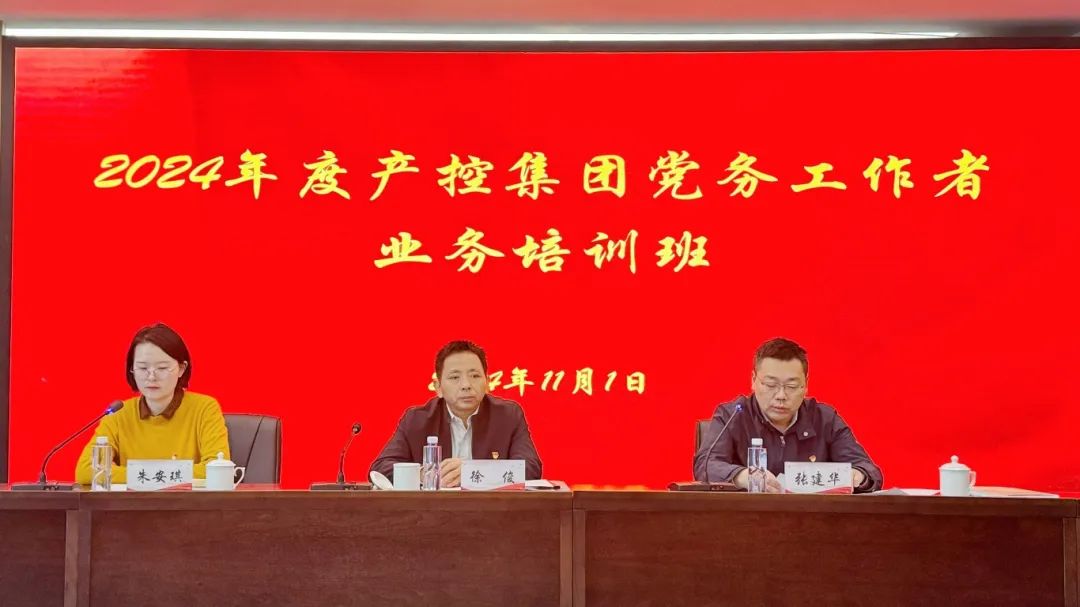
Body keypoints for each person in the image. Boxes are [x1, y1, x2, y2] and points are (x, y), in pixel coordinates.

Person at [693, 337, 882, 493]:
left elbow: (868, 469)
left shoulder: (825, 419)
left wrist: (857, 476)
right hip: (747, 520)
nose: (781, 396)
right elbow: (706, 465)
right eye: (771, 385)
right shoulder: (733, 415)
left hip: (812, 520)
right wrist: (745, 476)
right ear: (753, 380)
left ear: (805, 385)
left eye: (791, 386)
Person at [370, 340, 542, 486]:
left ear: (487, 382)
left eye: (475, 376)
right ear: (438, 387)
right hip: (432, 512)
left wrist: (472, 472)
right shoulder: (416, 420)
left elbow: (531, 468)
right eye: (454, 377)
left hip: (493, 510)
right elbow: (380, 468)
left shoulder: (508, 416)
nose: (466, 385)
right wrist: (424, 474)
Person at [74, 323, 230, 484]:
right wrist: (163, 474)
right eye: (143, 368)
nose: (151, 377)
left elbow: (218, 470)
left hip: (184, 500)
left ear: (181, 369)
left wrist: (133, 475)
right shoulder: (118, 414)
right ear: (132, 369)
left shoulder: (204, 408)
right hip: (133, 501)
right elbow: (86, 470)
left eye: (162, 368)